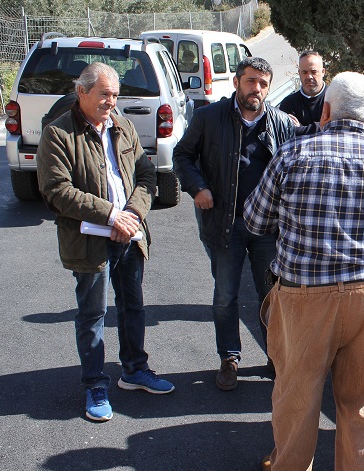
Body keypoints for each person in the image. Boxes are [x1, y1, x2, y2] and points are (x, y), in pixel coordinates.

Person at [245, 71, 364, 471]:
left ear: (325, 110)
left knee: (296, 401)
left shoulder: (293, 155)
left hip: (302, 301)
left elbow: (255, 221)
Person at [37, 62, 174, 422]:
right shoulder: (58, 134)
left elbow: (146, 175)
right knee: (93, 314)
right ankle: (96, 384)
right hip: (90, 241)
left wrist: (132, 215)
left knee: (132, 307)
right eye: (104, 94)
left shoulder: (123, 126)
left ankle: (134, 371)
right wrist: (111, 215)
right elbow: (56, 191)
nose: (111, 101)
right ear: (81, 92)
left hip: (129, 234)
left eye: (114, 95)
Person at [172, 57, 296, 391]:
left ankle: (276, 356)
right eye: (251, 81)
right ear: (237, 82)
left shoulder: (282, 123)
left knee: (271, 295)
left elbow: (294, 167)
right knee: (225, 296)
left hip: (268, 229)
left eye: (264, 83)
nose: (257, 89)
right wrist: (197, 187)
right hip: (226, 224)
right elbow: (181, 155)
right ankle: (229, 358)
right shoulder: (208, 118)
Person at [279, 50, 326, 132]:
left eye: (314, 72)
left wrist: (300, 129)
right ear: (299, 73)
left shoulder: (334, 99)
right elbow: (287, 134)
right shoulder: (289, 103)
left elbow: (335, 128)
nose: (309, 76)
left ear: (323, 72)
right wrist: (321, 126)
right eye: (304, 72)